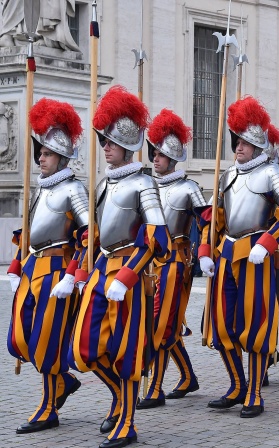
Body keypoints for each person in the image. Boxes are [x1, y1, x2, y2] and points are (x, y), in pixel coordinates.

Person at [69, 85, 171, 448]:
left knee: (127, 351)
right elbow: (92, 236)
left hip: (129, 271)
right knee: (83, 347)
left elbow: (159, 239)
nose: (105, 147)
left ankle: (127, 422)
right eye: (103, 140)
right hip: (101, 269)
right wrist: (78, 273)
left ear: (126, 144)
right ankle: (118, 396)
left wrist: (128, 275)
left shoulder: (143, 183)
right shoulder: (102, 184)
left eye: (110, 141)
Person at [199, 96, 279, 418]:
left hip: (256, 256)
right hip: (227, 254)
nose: (239, 147)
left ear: (258, 144)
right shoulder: (227, 175)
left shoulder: (271, 173)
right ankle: (236, 384)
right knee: (221, 326)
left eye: (245, 141)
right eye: (237, 140)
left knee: (256, 327)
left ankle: (255, 392)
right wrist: (204, 250)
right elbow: (214, 219)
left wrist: (268, 242)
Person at [7, 98, 87, 433]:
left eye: (48, 153)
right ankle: (62, 382)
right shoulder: (40, 188)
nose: (41, 157)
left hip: (57, 273)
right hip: (32, 270)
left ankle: (47, 406)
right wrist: (14, 266)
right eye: (40, 152)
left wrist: (72, 276)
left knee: (45, 341)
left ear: (63, 157)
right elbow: (27, 234)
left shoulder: (73, 190)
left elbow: (88, 238)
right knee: (19, 339)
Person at [136, 109, 206, 409]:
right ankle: (188, 376)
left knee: (162, 323)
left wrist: (205, 253)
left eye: (162, 155)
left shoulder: (188, 188)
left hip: (175, 262)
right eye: (154, 153)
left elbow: (208, 222)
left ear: (173, 158)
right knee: (159, 322)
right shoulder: (146, 184)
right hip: (147, 261)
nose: (156, 158)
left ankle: (155, 388)